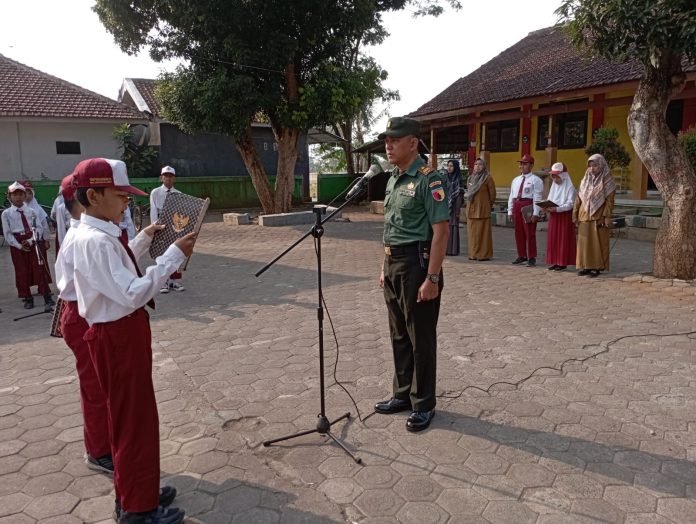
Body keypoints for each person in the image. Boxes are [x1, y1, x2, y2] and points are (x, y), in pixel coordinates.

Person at [71, 158, 194, 524]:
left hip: (118, 332)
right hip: (118, 334)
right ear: (94, 196)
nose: (127, 202)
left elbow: (118, 268)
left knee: (131, 419)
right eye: (120, 195)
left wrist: (144, 239)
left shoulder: (99, 233)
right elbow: (131, 292)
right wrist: (172, 256)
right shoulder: (96, 241)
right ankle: (137, 510)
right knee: (134, 422)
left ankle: (135, 492)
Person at [374, 117, 449, 433]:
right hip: (394, 264)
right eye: (386, 140)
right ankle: (402, 394)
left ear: (413, 143)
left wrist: (432, 278)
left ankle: (424, 403)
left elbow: (441, 231)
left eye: (394, 140)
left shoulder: (429, 180)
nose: (388, 146)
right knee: (399, 335)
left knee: (420, 338)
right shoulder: (393, 179)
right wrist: (384, 266)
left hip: (417, 264)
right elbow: (391, 227)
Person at [1, 182, 54, 309]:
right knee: (22, 270)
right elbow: (7, 233)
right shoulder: (6, 214)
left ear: (25, 196)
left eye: (21, 194)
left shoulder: (31, 211)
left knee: (39, 268)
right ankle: (27, 297)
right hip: (17, 242)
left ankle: (46, 295)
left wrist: (31, 240)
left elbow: (39, 228)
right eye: (15, 195)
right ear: (9, 197)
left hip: (33, 240)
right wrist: (18, 245)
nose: (18, 197)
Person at [573, 153, 616, 277]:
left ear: (601, 165)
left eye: (595, 165)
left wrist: (607, 216)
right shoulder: (585, 180)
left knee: (598, 243)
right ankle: (585, 266)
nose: (592, 168)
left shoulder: (607, 180)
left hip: (599, 216)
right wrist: (574, 214)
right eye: (590, 166)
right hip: (584, 215)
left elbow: (610, 201)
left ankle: (597, 267)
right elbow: (578, 198)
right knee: (584, 243)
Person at [150, 166, 185, 293]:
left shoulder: (179, 194)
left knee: (175, 252)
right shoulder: (155, 192)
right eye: (165, 176)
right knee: (162, 253)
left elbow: (181, 213)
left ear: (174, 178)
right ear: (161, 178)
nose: (168, 178)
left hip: (174, 226)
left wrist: (180, 229)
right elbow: (154, 210)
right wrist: (155, 227)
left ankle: (173, 280)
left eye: (170, 176)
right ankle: (163, 281)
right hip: (161, 225)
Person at [507, 154, 543, 266]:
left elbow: (537, 197)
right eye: (521, 164)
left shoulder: (536, 180)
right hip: (517, 204)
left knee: (529, 232)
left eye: (525, 164)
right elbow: (511, 196)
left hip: (528, 205)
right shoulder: (516, 180)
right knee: (518, 232)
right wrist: (510, 210)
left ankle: (531, 256)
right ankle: (521, 255)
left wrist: (536, 213)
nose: (522, 166)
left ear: (531, 165)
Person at [545, 162, 577, 271]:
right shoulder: (554, 186)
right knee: (553, 238)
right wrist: (546, 207)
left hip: (564, 216)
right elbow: (550, 199)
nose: (555, 179)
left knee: (563, 239)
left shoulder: (570, 187)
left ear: (563, 175)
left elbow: (570, 204)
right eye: (553, 176)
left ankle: (562, 262)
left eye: (556, 176)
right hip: (554, 216)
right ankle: (555, 261)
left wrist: (558, 209)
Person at [23, 180, 54, 289]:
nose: (27, 196)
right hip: (26, 241)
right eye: (25, 193)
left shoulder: (38, 209)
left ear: (33, 194)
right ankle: (29, 288)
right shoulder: (20, 209)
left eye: (29, 193)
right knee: (28, 265)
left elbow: (44, 225)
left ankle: (43, 287)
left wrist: (46, 239)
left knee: (40, 263)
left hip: (39, 240)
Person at [465, 158, 496, 261]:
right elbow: (468, 192)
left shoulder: (488, 178)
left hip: (482, 210)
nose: (477, 166)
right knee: (472, 234)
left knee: (483, 234)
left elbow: (492, 195)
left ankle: (483, 255)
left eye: (480, 164)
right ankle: (473, 254)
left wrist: (486, 205)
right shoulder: (470, 178)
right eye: (476, 164)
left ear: (484, 166)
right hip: (471, 209)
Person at [444, 159, 464, 256]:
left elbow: (459, 195)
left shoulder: (458, 179)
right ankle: (446, 249)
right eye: (448, 166)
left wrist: (457, 210)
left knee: (453, 226)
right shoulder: (445, 178)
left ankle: (453, 250)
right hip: (445, 206)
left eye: (451, 166)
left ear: (455, 167)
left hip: (454, 206)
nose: (449, 168)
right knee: (445, 227)